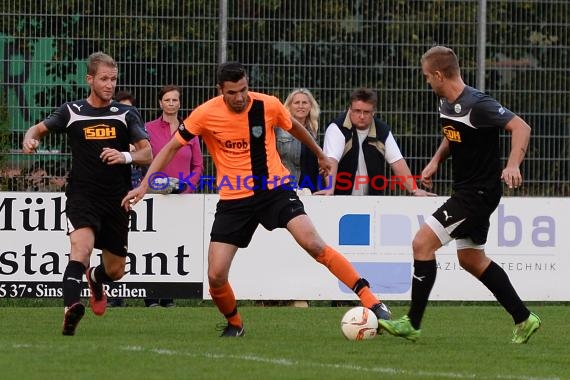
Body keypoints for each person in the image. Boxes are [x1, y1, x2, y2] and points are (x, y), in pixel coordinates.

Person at [122, 61, 391, 337]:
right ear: (220, 90)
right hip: (234, 200)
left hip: (274, 190)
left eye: (243, 90)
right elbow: (170, 148)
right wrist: (145, 184)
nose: (240, 97)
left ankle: (374, 302)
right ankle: (235, 323)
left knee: (313, 243)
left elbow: (296, 128)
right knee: (215, 275)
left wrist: (320, 154)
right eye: (232, 92)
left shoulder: (268, 105)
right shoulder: (204, 114)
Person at [378, 45, 540, 344]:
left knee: (421, 243)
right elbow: (454, 133)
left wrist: (513, 164)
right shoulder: (446, 103)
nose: (427, 82)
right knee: (471, 259)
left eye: (428, 77)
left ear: (439, 74)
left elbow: (521, 126)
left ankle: (412, 323)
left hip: (477, 193)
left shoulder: (478, 103)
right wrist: (436, 160)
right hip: (468, 189)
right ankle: (524, 317)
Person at [22, 52, 152, 335]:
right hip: (82, 196)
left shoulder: (125, 114)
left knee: (115, 271)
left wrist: (124, 156)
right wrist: (29, 138)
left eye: (113, 79)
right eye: (104, 79)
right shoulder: (72, 111)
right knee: (80, 250)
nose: (110, 85)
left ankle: (95, 278)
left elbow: (147, 153)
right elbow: (39, 128)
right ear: (89, 79)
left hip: (117, 199)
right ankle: (71, 308)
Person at [144, 84, 204, 307]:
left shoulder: (190, 130)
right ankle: (150, 297)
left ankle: (168, 297)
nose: (171, 104)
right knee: (153, 246)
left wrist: (186, 187)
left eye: (175, 100)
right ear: (160, 103)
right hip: (154, 195)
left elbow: (198, 165)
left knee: (175, 245)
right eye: (167, 100)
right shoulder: (148, 128)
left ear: (180, 103)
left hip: (181, 197)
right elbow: (145, 159)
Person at [319, 88, 434, 196]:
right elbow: (331, 161)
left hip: (373, 201)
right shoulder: (337, 128)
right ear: (350, 109)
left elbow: (397, 162)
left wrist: (414, 190)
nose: (362, 116)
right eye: (357, 111)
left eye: (367, 112)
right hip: (340, 197)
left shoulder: (382, 130)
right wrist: (329, 189)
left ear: (374, 112)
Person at [276, 88, 320, 192]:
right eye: (297, 103)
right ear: (289, 106)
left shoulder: (313, 131)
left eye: (304, 103)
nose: (301, 106)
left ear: (310, 106)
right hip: (285, 186)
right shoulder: (278, 129)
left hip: (308, 188)